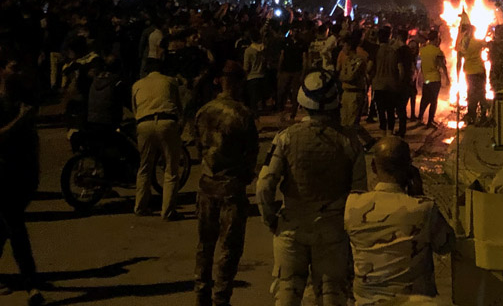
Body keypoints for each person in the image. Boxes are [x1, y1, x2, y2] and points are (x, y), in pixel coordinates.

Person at [256, 69, 367, 306]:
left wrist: (270, 220)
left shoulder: (285, 138)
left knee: (287, 289)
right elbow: (359, 195)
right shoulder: (349, 141)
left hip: (291, 226)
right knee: (331, 294)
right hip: (332, 230)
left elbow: (265, 185)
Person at [344, 136, 454, 306]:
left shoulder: (353, 205)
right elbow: (446, 245)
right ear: (409, 167)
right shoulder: (423, 208)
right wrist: (418, 193)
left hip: (367, 301)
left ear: (373, 166)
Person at [194, 60, 259, 306]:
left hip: (207, 184)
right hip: (231, 187)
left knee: (204, 245)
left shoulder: (204, 111)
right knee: (229, 249)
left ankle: (201, 294)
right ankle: (221, 298)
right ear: (240, 82)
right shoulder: (242, 114)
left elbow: (199, 147)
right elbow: (250, 155)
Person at [0, 55, 44, 305]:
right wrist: (19, 121)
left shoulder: (24, 100)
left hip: (21, 174)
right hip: (2, 173)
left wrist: (34, 173)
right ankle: (32, 286)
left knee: (4, 227)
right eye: (13, 67)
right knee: (16, 228)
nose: (18, 72)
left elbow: (32, 138)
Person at [131, 58, 183, 220]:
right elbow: (178, 105)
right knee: (171, 169)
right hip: (166, 122)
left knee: (144, 166)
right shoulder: (170, 81)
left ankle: (140, 206)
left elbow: (135, 109)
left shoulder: (137, 84)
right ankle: (167, 211)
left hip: (144, 124)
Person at [336, 36, 375, 150]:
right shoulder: (347, 60)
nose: (343, 48)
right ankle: (364, 142)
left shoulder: (359, 61)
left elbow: (349, 76)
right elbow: (341, 75)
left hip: (355, 93)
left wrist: (344, 77)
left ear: (349, 47)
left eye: (344, 45)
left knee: (352, 123)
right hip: (346, 92)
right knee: (344, 122)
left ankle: (358, 144)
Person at [372, 26, 405, 137]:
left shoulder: (376, 51)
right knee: (391, 111)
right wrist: (399, 83)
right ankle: (390, 134)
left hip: (378, 85)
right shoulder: (395, 52)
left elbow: (369, 68)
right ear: (389, 36)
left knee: (381, 111)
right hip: (392, 86)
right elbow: (401, 70)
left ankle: (382, 134)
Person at [457, 23, 488, 125]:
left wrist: (458, 72)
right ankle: (483, 115)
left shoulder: (463, 45)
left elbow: (459, 59)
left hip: (469, 73)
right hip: (479, 71)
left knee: (471, 94)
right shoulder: (477, 42)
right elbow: (486, 44)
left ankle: (472, 115)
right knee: (481, 93)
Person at [417, 31, 449, 128]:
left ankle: (420, 118)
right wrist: (447, 78)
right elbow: (442, 65)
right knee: (433, 100)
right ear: (435, 39)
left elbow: (420, 65)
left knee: (425, 99)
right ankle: (430, 121)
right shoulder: (437, 51)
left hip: (426, 79)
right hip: (434, 79)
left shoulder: (422, 50)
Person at [242, 29, 267, 116]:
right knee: (261, 96)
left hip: (252, 76)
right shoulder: (263, 49)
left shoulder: (248, 50)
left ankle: (255, 115)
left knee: (253, 98)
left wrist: (244, 75)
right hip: (262, 75)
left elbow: (246, 66)